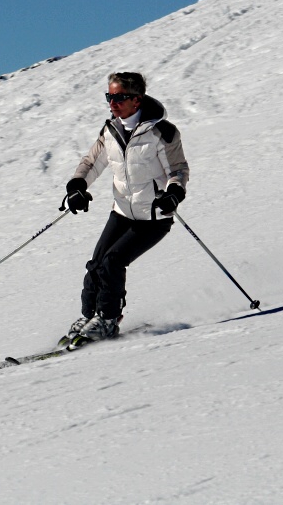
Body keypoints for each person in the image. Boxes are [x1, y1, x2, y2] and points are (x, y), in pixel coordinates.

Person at [61, 72, 190, 346]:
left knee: (113, 262)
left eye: (119, 97)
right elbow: (92, 162)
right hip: (121, 212)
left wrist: (173, 194)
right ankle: (89, 318)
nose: (113, 103)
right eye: (110, 97)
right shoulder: (110, 130)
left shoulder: (161, 132)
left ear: (137, 99)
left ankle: (108, 319)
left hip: (153, 217)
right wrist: (77, 187)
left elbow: (177, 169)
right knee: (96, 264)